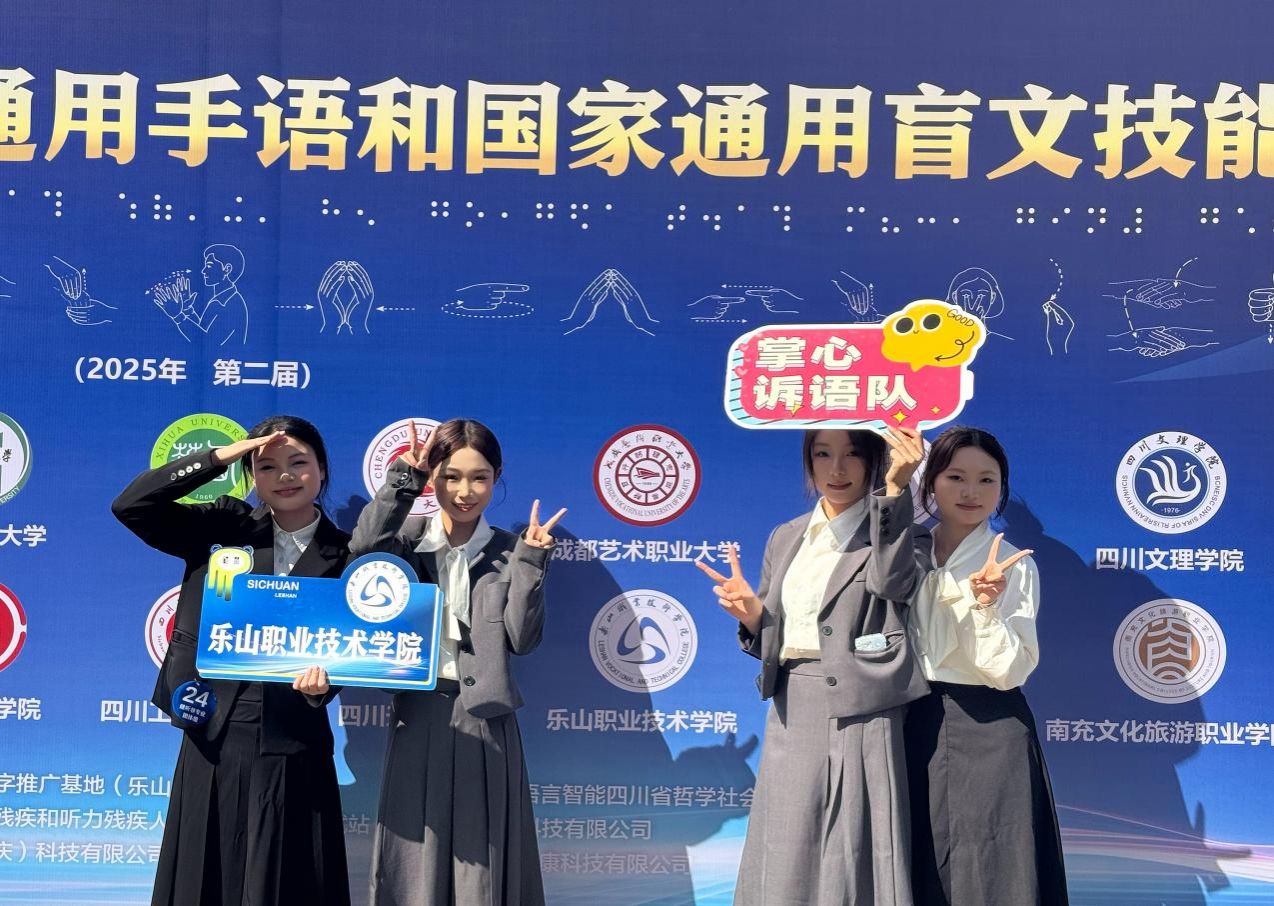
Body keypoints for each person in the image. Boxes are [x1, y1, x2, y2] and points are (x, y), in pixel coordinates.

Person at [111, 415, 350, 906]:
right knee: (203, 875)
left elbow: (352, 647)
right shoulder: (222, 526)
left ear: (322, 470)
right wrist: (220, 456)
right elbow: (131, 505)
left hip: (294, 739)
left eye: (298, 463)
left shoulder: (345, 554)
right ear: (250, 474)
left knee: (287, 882)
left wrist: (325, 686)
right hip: (214, 729)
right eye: (267, 466)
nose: (285, 476)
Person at [696, 426, 928, 906]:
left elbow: (893, 585)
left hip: (863, 706)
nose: (836, 469)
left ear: (874, 460)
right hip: (792, 703)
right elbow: (776, 633)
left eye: (852, 454)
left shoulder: (900, 527)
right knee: (786, 843)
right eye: (823, 454)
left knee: (855, 847)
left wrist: (895, 490)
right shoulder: (786, 536)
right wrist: (753, 616)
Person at [351, 418, 564, 906]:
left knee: (482, 864)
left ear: (497, 478)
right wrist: (404, 481)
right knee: (412, 856)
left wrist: (531, 563)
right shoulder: (405, 542)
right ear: (433, 477)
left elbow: (522, 639)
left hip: (487, 722)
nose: (465, 492)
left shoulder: (512, 551)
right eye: (450, 476)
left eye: (479, 477)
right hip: (417, 715)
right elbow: (362, 551)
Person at [905, 425, 1068, 905]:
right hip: (910, 721)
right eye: (956, 477)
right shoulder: (905, 554)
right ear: (931, 482)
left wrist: (985, 606)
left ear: (1002, 488)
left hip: (991, 729)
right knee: (918, 864)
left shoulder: (1014, 565)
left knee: (994, 872)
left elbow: (1010, 672)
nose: (971, 492)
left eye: (986, 480)